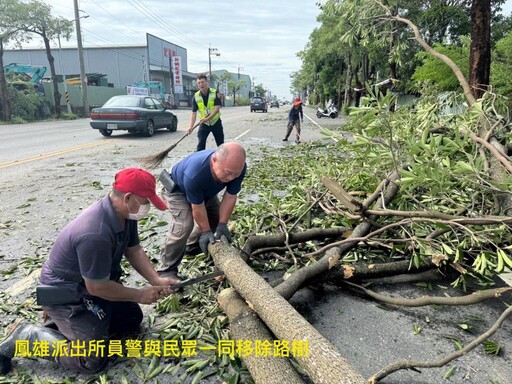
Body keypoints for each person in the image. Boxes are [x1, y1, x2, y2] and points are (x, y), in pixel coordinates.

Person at [0, 168, 179, 374]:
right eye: (146, 202)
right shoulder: (95, 233)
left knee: (131, 319)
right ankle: (29, 334)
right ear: (128, 198)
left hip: (93, 285)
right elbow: (97, 287)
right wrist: (140, 294)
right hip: (68, 294)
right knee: (91, 359)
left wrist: (156, 279)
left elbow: (133, 249)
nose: (147, 206)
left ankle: (63, 326)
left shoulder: (125, 214)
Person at [158, 142, 247, 279]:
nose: (231, 178)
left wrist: (222, 224)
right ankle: (166, 271)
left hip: (205, 191)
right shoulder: (195, 173)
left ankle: (191, 247)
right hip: (177, 191)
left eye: (236, 174)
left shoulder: (236, 169)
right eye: (227, 173)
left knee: (215, 218)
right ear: (214, 160)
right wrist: (205, 231)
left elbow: (230, 196)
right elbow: (197, 207)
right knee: (184, 225)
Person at [188, 73, 224, 151]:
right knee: (200, 145)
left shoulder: (215, 93)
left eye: (203, 82)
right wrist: (191, 127)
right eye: (199, 83)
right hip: (204, 124)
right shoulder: (196, 96)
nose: (201, 84)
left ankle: (224, 161)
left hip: (215, 122)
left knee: (221, 145)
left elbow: (217, 108)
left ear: (207, 82)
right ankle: (199, 161)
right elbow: (194, 113)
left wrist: (207, 119)